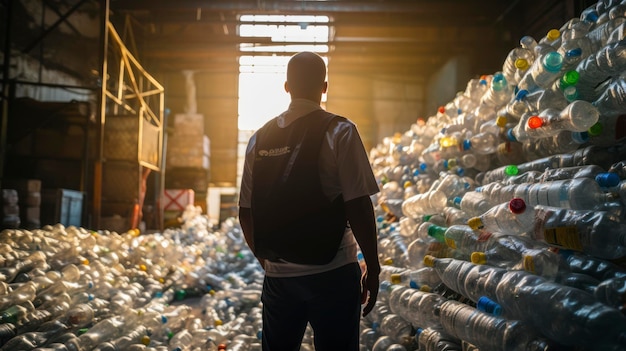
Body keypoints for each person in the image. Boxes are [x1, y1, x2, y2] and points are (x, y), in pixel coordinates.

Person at [238, 51, 381, 351]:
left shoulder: (259, 139)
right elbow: (358, 205)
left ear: (287, 86)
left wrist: (267, 261)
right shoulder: (340, 130)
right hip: (333, 273)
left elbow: (245, 212)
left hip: (278, 279)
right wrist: (373, 267)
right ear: (324, 87)